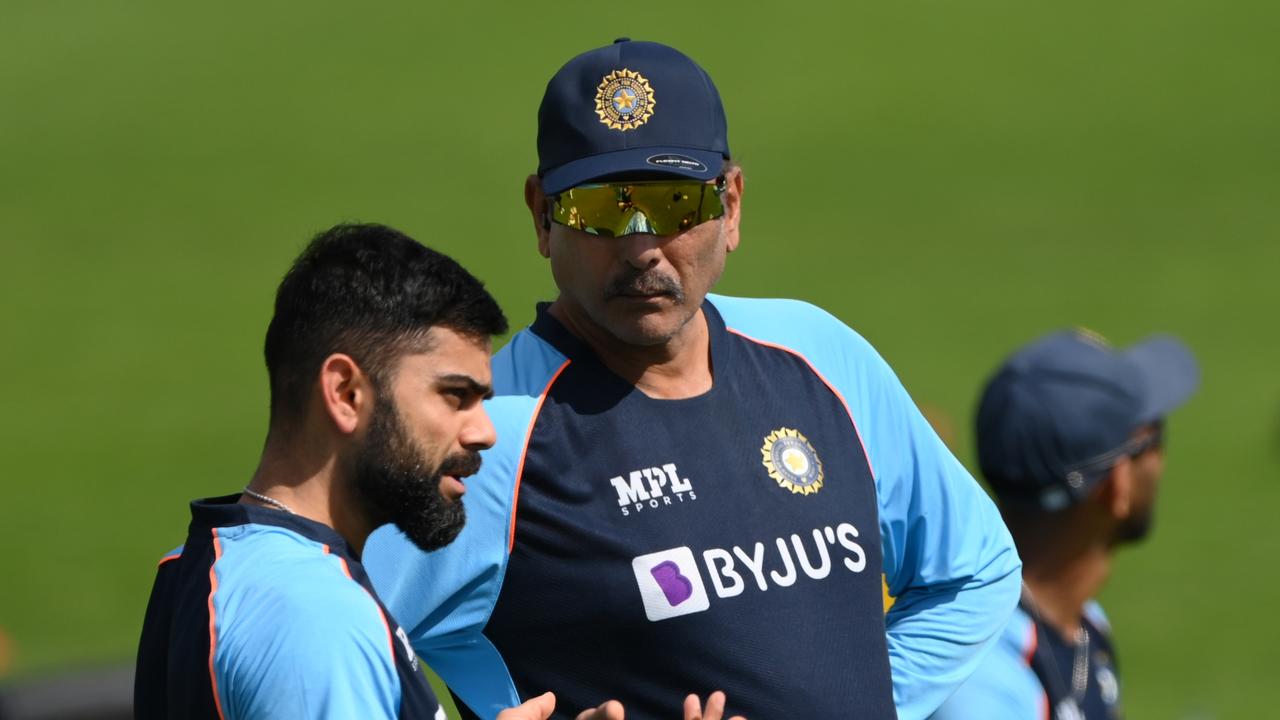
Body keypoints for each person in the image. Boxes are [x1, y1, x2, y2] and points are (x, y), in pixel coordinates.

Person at [364, 39, 1022, 720]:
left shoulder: (820, 355)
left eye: (674, 202)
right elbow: (317, 644)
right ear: (542, 215)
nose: (643, 245)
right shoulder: (485, 433)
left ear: (730, 205)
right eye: (603, 207)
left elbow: (972, 570)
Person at [134, 224, 736, 720]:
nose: (484, 431)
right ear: (345, 392)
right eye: (455, 397)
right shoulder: (318, 623)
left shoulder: (204, 563)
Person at [931, 329, 1199, 720]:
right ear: (1117, 485)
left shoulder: (1079, 624)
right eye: (1154, 436)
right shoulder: (982, 689)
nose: (1162, 460)